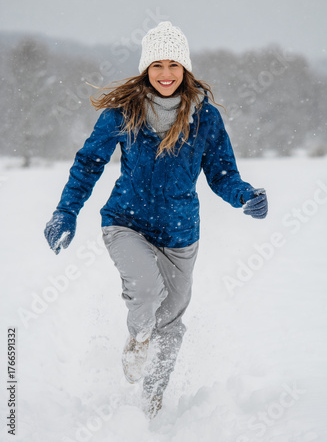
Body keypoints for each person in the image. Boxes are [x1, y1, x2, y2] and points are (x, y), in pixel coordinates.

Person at [44, 21, 268, 418]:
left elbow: (221, 174)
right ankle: (137, 338)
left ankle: (152, 401)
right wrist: (66, 210)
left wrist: (245, 195)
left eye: (174, 65)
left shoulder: (205, 117)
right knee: (146, 292)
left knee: (171, 322)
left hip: (181, 233)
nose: (166, 74)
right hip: (125, 222)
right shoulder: (123, 112)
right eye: (158, 65)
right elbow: (89, 163)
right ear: (146, 68)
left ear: (186, 69)